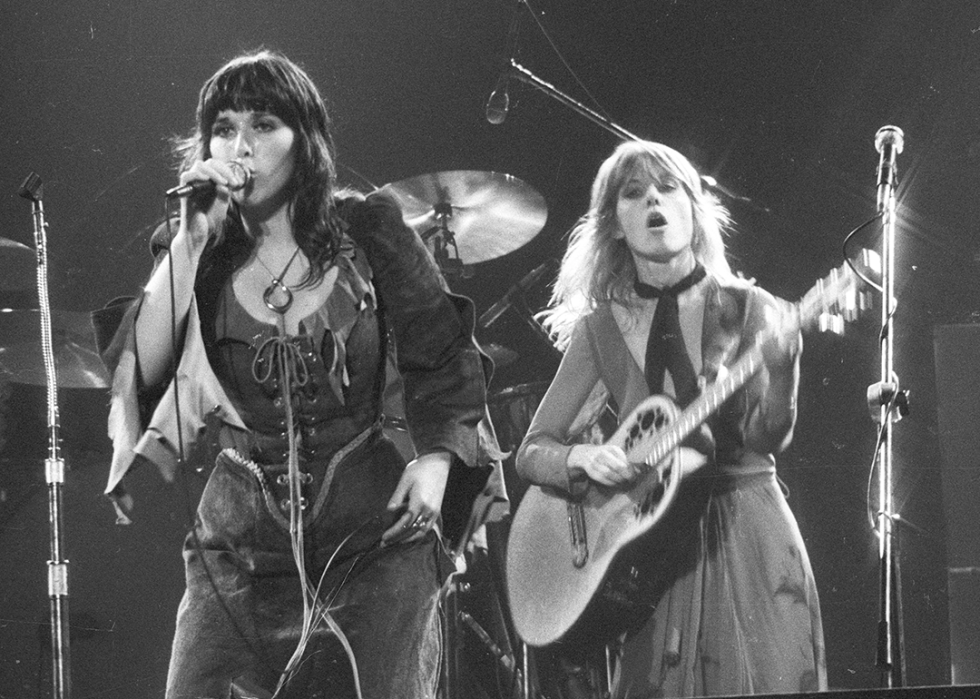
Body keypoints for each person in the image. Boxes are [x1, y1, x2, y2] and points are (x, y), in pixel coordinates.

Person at [94, 49, 503, 699]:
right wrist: (192, 234)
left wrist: (435, 463)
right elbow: (140, 370)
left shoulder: (369, 230)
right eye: (223, 127)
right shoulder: (194, 249)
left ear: (303, 141)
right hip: (243, 538)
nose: (240, 145)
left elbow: (446, 356)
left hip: (372, 534)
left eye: (263, 124)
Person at [514, 139, 827, 697]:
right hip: (652, 554)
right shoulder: (600, 330)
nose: (653, 201)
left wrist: (786, 369)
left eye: (668, 188)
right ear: (613, 224)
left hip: (747, 528)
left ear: (693, 207)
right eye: (634, 194)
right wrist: (581, 457)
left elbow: (768, 438)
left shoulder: (749, 307)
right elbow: (533, 450)